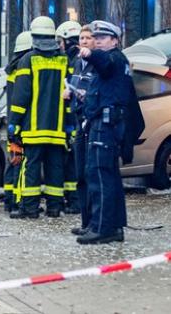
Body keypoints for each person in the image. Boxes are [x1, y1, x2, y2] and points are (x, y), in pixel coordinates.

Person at [76, 20, 144, 244]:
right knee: (108, 177)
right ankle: (110, 226)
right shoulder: (114, 62)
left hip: (106, 127)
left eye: (102, 38)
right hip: (104, 125)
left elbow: (104, 63)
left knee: (100, 177)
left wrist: (89, 54)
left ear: (115, 40)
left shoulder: (114, 58)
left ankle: (102, 228)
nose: (97, 41)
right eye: (95, 38)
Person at [8, 16, 71, 219]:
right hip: (57, 128)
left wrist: (14, 124)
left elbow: (21, 96)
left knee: (31, 168)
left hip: (33, 128)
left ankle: (30, 209)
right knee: (55, 167)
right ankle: (54, 207)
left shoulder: (28, 59)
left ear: (33, 35)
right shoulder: (64, 60)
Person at [67, 25, 96, 234]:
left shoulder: (98, 65)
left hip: (91, 123)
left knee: (91, 175)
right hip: (79, 121)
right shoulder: (78, 63)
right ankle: (86, 223)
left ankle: (95, 223)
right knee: (81, 176)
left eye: (88, 38)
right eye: (82, 38)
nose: (84, 41)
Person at [3, 31, 33, 212]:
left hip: (12, 122)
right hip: (21, 124)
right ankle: (17, 200)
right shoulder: (23, 70)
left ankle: (9, 200)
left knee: (13, 161)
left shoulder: (11, 70)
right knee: (20, 164)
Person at [56, 20, 82, 214]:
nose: (59, 45)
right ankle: (73, 200)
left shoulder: (74, 61)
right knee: (71, 161)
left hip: (73, 121)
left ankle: (74, 202)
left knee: (73, 163)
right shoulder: (75, 59)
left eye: (61, 41)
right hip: (72, 120)